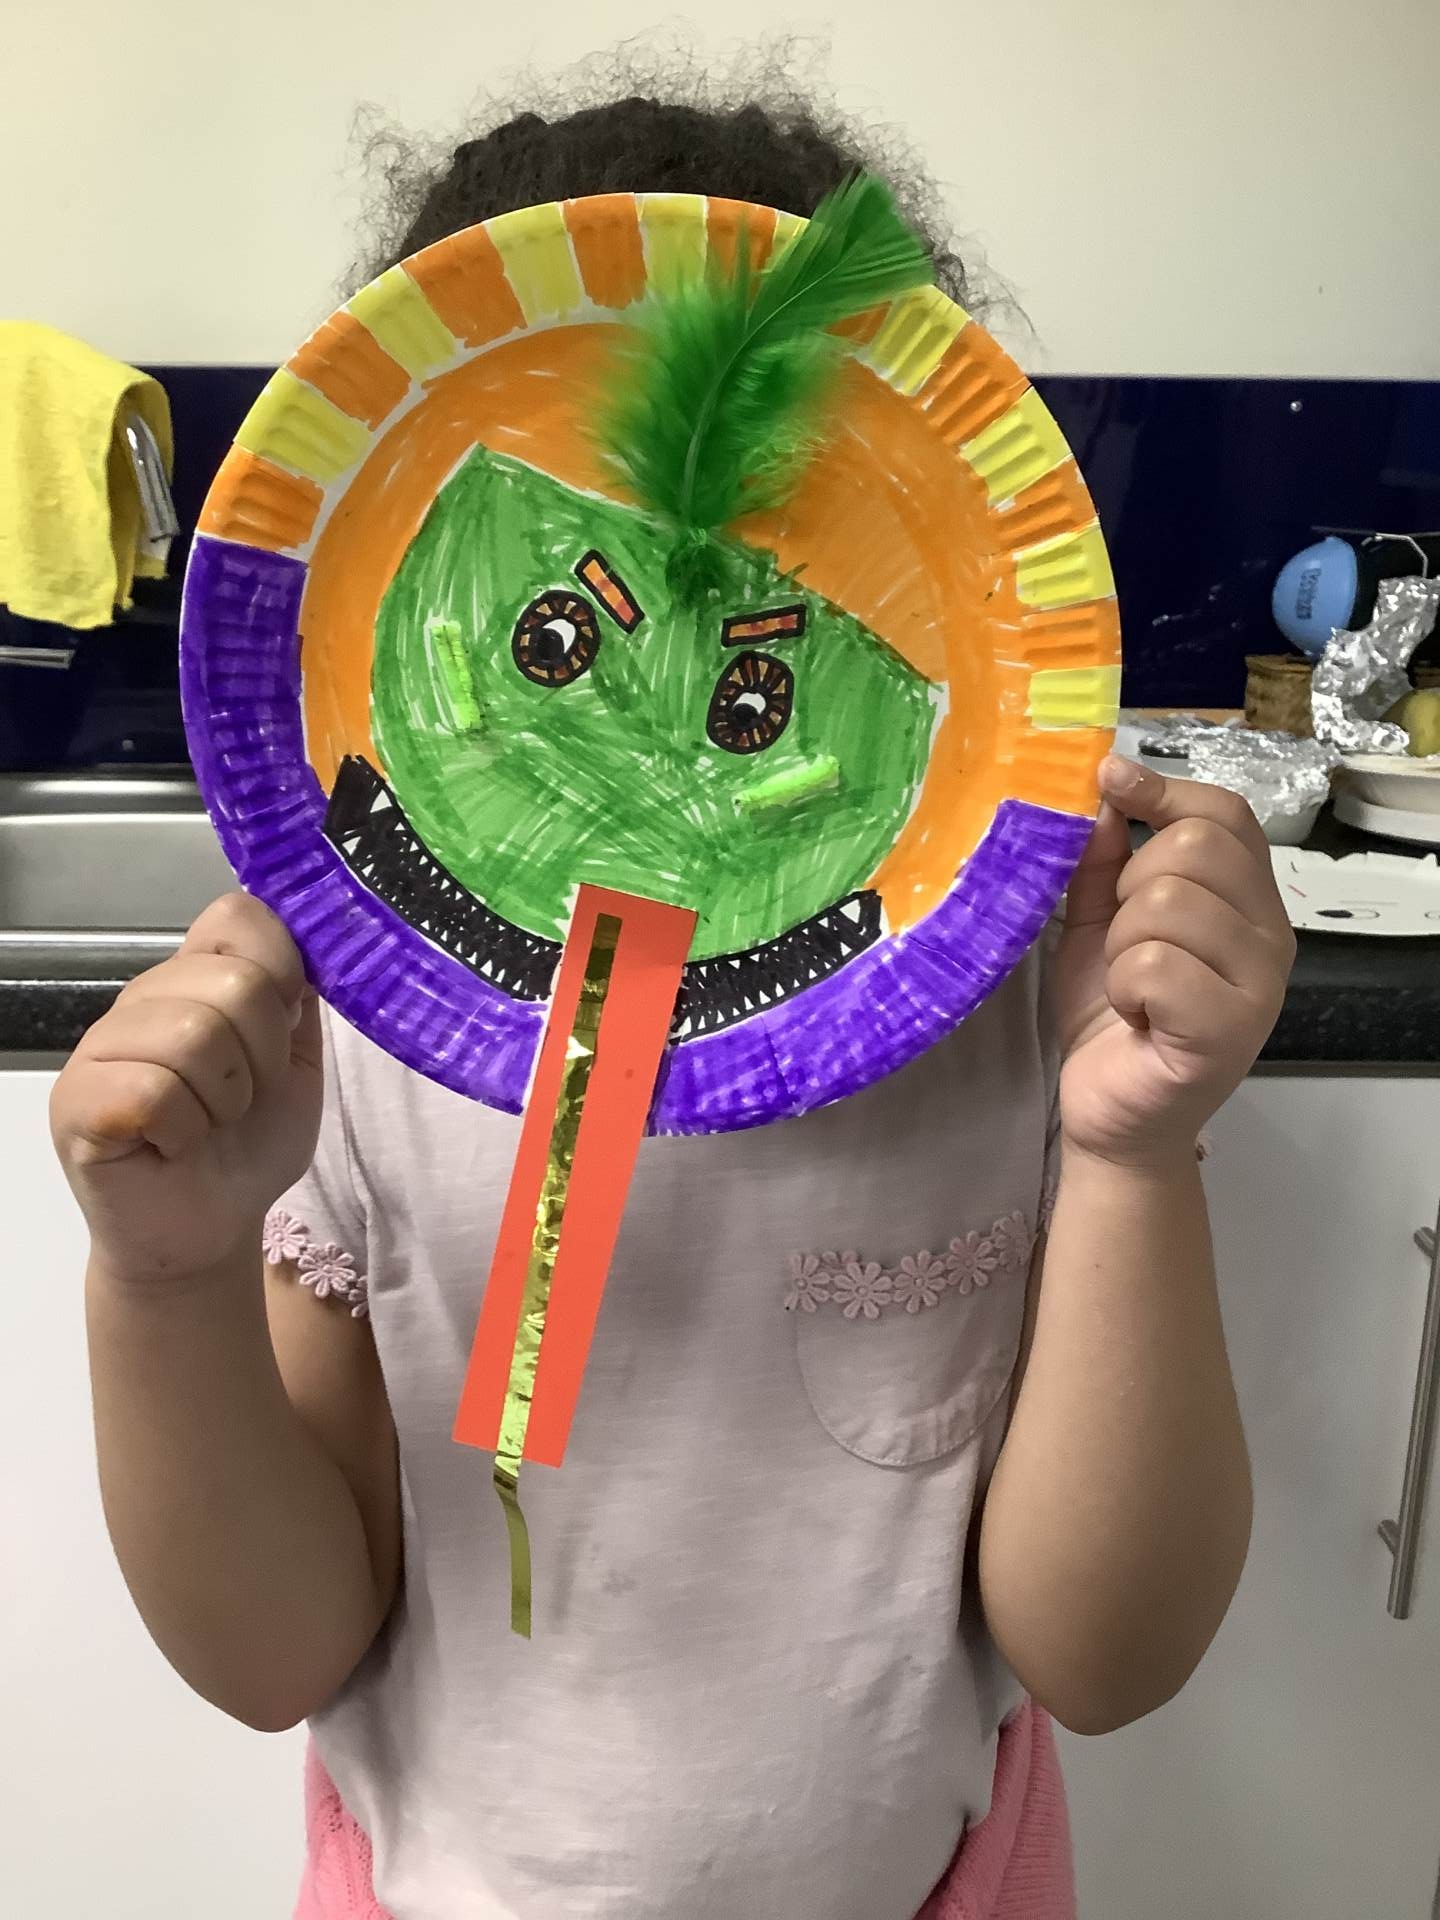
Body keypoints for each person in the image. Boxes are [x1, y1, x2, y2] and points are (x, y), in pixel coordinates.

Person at [51, 83, 1296, 1920]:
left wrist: (1132, 1151)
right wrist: (162, 1283)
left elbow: (1106, 1660)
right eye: (559, 634)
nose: (647, 773)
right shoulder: (357, 1015)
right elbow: (273, 1650)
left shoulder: (1027, 1007)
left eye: (753, 690)